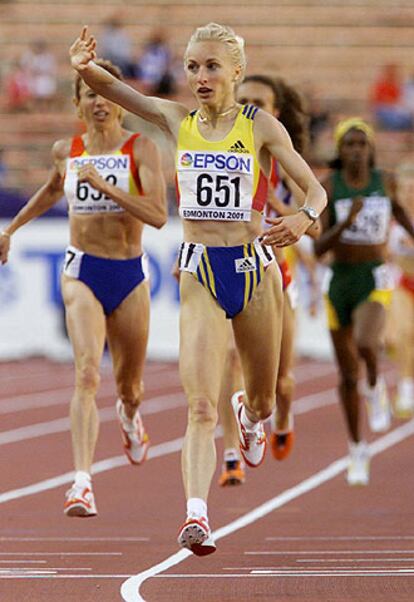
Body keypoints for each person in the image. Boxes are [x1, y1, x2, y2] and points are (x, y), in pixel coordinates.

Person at [69, 23, 327, 555]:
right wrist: (83, 67)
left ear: (236, 70)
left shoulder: (260, 126)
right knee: (200, 406)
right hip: (200, 272)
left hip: (255, 271)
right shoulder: (177, 118)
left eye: (211, 66)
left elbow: (315, 191)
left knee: (260, 399)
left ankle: (252, 418)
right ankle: (196, 515)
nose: (201, 77)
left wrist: (303, 219)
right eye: (191, 67)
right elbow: (123, 93)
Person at [0, 59, 167, 516]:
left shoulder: (141, 149)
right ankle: (82, 483)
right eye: (89, 93)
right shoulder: (66, 150)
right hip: (81, 271)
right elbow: (54, 190)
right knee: (88, 373)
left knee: (130, 387)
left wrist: (106, 186)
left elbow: (157, 215)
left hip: (129, 272)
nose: (98, 101)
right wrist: (11, 229)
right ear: (78, 103)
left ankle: (131, 416)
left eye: (105, 93)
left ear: (119, 101)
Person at [217, 74, 318, 487]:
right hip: (230, 268)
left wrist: (278, 206)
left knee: (281, 382)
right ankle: (229, 457)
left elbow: (314, 225)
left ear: (275, 112)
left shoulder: (285, 161)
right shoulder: (220, 147)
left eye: (259, 101)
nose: (249, 107)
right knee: (231, 359)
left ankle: (282, 419)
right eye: (243, 100)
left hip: (277, 275)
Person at [314, 117, 414, 486]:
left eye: (362, 143)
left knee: (367, 343)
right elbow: (319, 246)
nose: (356, 150)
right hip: (339, 280)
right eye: (349, 144)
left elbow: (401, 215)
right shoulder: (329, 186)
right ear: (340, 151)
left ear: (370, 149)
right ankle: (357, 447)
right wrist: (346, 221)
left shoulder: (383, 182)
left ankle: (375, 386)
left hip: (373, 276)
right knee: (345, 375)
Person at [388, 162, 414, 417]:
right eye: (405, 189)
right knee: (404, 334)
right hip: (403, 284)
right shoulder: (392, 220)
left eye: (413, 189)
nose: (410, 194)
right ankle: (405, 391)